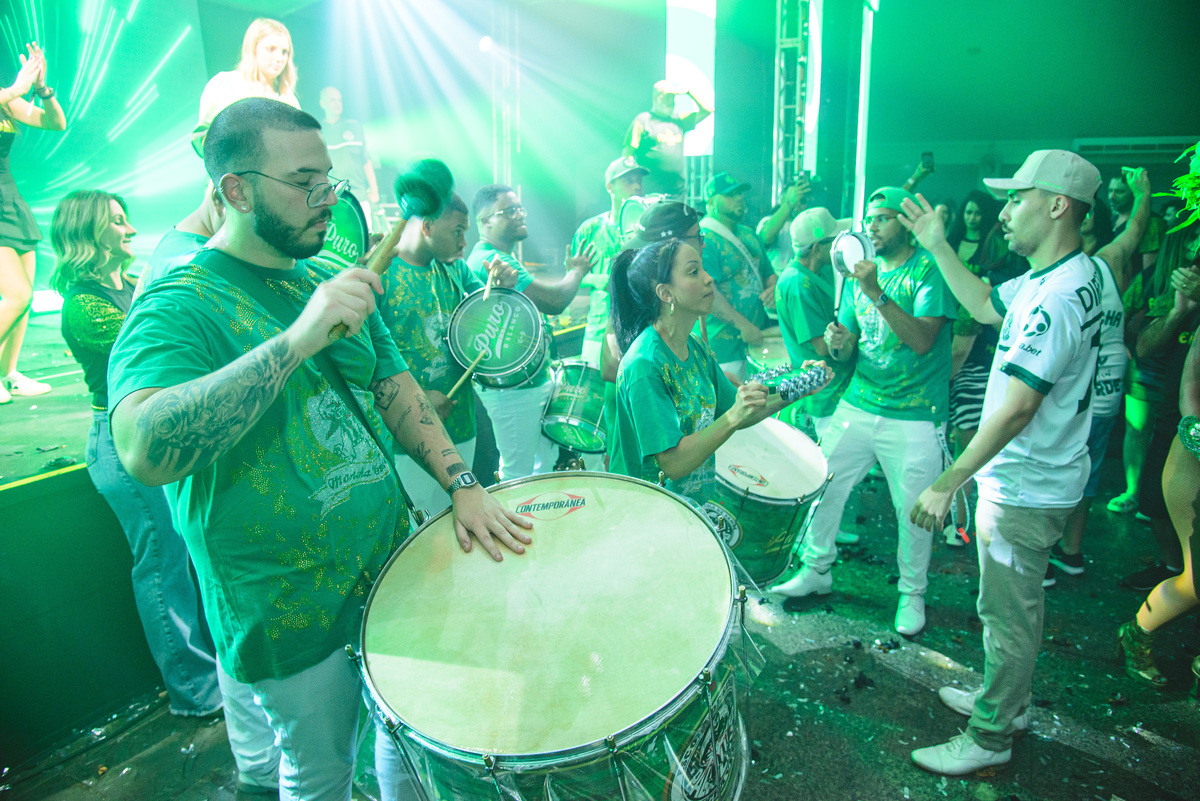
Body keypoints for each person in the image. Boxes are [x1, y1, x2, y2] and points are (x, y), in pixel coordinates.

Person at [107, 98, 531, 801]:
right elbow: (144, 448)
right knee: (320, 771)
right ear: (236, 190)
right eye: (303, 183)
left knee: (406, 729)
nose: (327, 199)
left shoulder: (322, 275)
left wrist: (461, 482)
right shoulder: (178, 302)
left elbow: (393, 384)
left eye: (328, 179)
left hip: (383, 566)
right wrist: (297, 340)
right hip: (285, 605)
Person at [903, 149, 1103, 775]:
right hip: (1039, 477)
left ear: (1057, 205)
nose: (1004, 211)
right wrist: (939, 246)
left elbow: (1017, 410)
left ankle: (991, 736)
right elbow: (988, 306)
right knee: (1013, 609)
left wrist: (948, 481)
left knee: (1008, 614)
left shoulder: (1056, 298)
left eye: (1018, 198)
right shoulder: (1070, 272)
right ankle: (1006, 701)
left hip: (1025, 486)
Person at [774, 186, 956, 639]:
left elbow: (922, 340)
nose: (872, 226)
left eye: (883, 218)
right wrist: (839, 343)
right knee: (821, 482)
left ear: (905, 224)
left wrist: (875, 292)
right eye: (869, 218)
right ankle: (817, 569)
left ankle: (912, 594)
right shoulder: (859, 274)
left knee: (912, 509)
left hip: (915, 412)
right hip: (860, 401)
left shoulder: (928, 271)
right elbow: (849, 346)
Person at [606, 239, 823, 508]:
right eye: (694, 271)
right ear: (666, 293)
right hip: (646, 510)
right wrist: (733, 417)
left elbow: (741, 408)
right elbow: (673, 463)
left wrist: (799, 385)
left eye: (703, 269)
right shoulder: (645, 364)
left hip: (688, 506)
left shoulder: (695, 347)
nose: (709, 279)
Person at [380, 190, 518, 519]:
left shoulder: (456, 270)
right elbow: (366, 360)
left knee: (456, 522)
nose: (463, 242)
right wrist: (419, 399)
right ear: (427, 226)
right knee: (418, 527)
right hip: (406, 439)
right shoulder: (382, 273)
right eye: (457, 231)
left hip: (461, 425)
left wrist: (502, 287)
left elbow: (486, 321)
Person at [1047, 170, 1152, 584]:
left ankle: (1043, 556)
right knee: (1085, 477)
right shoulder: (1109, 264)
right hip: (1104, 395)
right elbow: (1137, 227)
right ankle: (1071, 553)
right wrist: (1143, 194)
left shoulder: (1060, 277)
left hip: (1067, 400)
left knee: (1053, 474)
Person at [466, 184, 595, 479]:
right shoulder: (494, 260)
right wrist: (577, 271)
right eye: (509, 210)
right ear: (485, 221)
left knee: (538, 468)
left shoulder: (494, 257)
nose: (520, 214)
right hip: (513, 389)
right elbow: (554, 301)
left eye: (520, 208)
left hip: (523, 383)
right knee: (518, 474)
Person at [0, 42, 65, 403]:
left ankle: (8, 374)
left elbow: (55, 122)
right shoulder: (6, 95)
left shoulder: (5, 100)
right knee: (17, 293)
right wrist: (16, 88)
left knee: (24, 301)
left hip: (9, 199)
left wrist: (42, 90)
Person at [1108, 172, 1171, 516]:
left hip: (1157, 329)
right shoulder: (1114, 224)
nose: (1114, 195)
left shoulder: (1154, 225)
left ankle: (1154, 496)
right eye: (1111, 191)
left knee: (1162, 425)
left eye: (1121, 191)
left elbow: (1149, 278)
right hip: (1133, 330)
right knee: (1136, 423)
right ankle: (1135, 491)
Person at [773, 207, 854, 437]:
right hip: (824, 395)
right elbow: (822, 347)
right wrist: (853, 335)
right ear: (817, 248)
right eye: (833, 241)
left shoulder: (821, 272)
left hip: (837, 390)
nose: (837, 246)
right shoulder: (797, 283)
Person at [697, 172, 776, 382]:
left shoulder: (749, 233)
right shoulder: (704, 238)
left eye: (740, 193)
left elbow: (768, 273)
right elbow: (707, 291)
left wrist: (773, 288)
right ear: (711, 202)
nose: (739, 198)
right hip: (723, 347)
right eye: (730, 195)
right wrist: (743, 326)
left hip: (756, 340)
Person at [572, 155, 648, 368]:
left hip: (641, 329)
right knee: (593, 386)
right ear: (609, 187)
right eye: (628, 181)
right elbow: (572, 276)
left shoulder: (648, 230)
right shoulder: (591, 228)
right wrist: (598, 280)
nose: (636, 186)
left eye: (639, 181)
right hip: (598, 330)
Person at [195, 18, 300, 154]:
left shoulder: (289, 100)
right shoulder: (226, 84)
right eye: (271, 49)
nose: (279, 58)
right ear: (253, 48)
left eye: (284, 52)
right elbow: (204, 137)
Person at [623, 80, 712, 197]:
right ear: (657, 97)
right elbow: (628, 152)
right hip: (651, 190)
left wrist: (689, 92)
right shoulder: (643, 120)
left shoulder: (679, 120)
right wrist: (633, 181)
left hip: (677, 190)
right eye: (667, 97)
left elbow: (707, 110)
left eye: (673, 97)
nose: (671, 101)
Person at [318, 86, 381, 227]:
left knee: (365, 236)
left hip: (359, 197)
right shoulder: (317, 131)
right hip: (332, 200)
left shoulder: (354, 127)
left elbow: (366, 161)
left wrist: (374, 190)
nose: (337, 103)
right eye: (332, 100)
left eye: (339, 100)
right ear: (322, 103)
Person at [756, 178, 811, 276]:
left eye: (802, 200)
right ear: (782, 199)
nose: (798, 202)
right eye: (794, 197)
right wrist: (789, 203)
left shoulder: (808, 226)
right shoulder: (768, 221)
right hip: (775, 281)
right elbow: (765, 238)